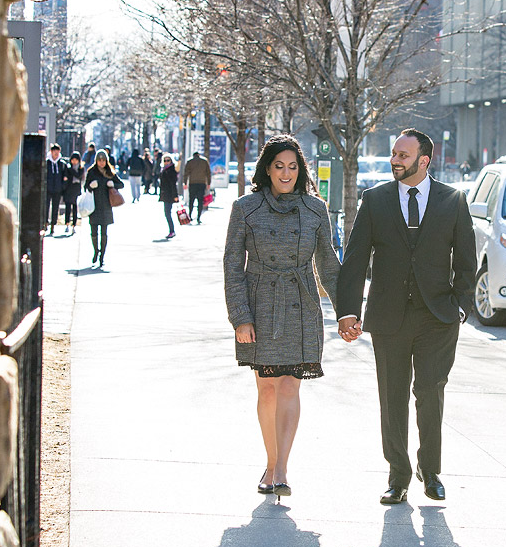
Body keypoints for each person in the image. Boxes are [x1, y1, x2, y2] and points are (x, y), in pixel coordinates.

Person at [336, 129, 475, 505]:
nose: (395, 160)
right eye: (394, 154)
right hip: (388, 316)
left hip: (437, 317)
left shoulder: (453, 200)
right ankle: (398, 476)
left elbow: (466, 260)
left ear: (423, 160)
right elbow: (355, 260)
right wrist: (347, 311)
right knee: (392, 397)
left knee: (430, 391)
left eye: (402, 155)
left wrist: (460, 307)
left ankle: (430, 470)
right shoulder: (375, 200)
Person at [224, 135, 341, 497]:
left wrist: (347, 313)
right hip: (260, 304)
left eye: (292, 166)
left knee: (291, 383)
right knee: (268, 387)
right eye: (279, 166)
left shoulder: (315, 208)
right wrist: (240, 316)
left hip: (301, 302)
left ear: (300, 169)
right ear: (267, 169)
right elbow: (232, 265)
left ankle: (281, 468)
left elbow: (328, 264)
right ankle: (270, 461)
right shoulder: (246, 207)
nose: (286, 173)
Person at [85, 150, 124, 268]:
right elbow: (85, 186)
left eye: (103, 160)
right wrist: (91, 186)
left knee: (104, 232)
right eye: (99, 160)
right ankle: (96, 251)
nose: (101, 163)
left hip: (106, 206)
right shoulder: (91, 172)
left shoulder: (109, 172)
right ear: (96, 161)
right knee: (94, 231)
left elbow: (121, 184)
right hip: (94, 205)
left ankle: (102, 256)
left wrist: (112, 184)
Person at [184, 151, 212, 224]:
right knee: (200, 201)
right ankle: (198, 217)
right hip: (202, 183)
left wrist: (185, 183)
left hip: (192, 183)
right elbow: (208, 173)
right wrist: (208, 183)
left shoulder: (189, 161)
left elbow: (186, 173)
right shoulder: (204, 161)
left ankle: (190, 215)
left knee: (191, 200)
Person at [45, 143, 66, 235]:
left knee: (55, 207)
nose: (56, 153)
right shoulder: (47, 163)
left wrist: (62, 187)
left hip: (57, 189)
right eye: (54, 151)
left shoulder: (62, 164)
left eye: (57, 151)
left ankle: (53, 225)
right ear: (51, 152)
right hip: (47, 188)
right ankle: (45, 223)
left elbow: (64, 177)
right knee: (45, 207)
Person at [158, 153, 180, 238]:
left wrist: (175, 195)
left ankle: (172, 230)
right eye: (165, 160)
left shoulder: (171, 170)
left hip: (169, 194)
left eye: (168, 160)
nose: (166, 162)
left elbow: (173, 184)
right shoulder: (164, 169)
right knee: (167, 213)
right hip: (165, 194)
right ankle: (171, 230)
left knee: (167, 213)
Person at [62, 152, 83, 234]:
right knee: (67, 207)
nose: (74, 162)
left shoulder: (80, 168)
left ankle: (74, 225)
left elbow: (78, 175)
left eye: (76, 160)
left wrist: (71, 170)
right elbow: (66, 177)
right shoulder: (67, 168)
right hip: (68, 189)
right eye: (73, 160)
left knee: (75, 208)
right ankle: (67, 224)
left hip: (76, 190)